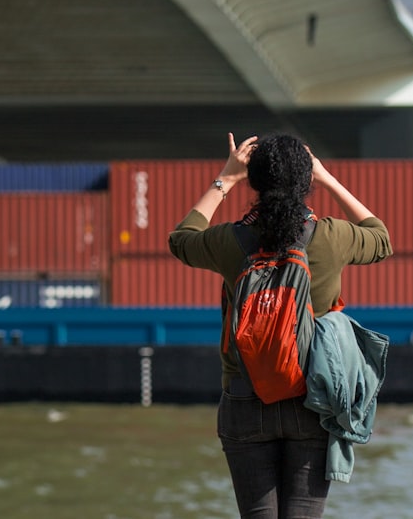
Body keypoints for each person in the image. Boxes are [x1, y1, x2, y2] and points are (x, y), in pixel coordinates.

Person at [168, 132, 392, 518]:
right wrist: (327, 178)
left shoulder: (230, 241)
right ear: (307, 182)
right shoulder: (332, 237)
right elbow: (381, 238)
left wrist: (226, 177)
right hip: (314, 395)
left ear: (254, 182)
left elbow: (181, 239)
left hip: (245, 395)